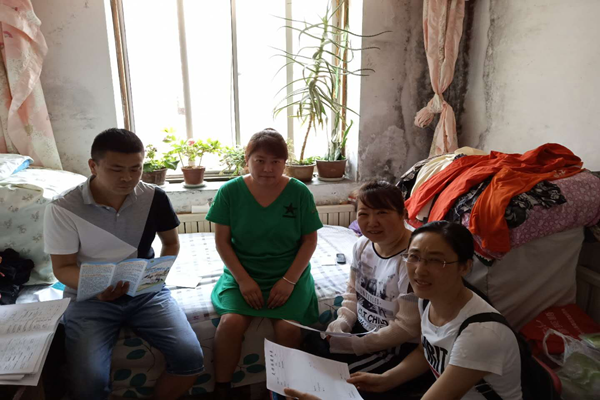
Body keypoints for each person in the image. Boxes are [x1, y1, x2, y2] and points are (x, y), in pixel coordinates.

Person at [44, 128, 204, 400]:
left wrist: (155, 276)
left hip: (144, 292)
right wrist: (98, 287)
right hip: (89, 297)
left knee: (190, 358)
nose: (127, 178)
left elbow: (171, 243)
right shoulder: (63, 208)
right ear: (93, 166)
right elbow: (63, 268)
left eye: (136, 169)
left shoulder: (154, 197)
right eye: (116, 169)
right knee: (89, 384)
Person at [206, 128, 323, 398]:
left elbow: (309, 241)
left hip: (289, 272)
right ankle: (222, 389)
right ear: (247, 161)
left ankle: (286, 392)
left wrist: (289, 281)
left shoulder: (299, 192)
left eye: (275, 162)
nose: (268, 168)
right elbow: (222, 242)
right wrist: (244, 280)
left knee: (288, 327)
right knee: (230, 323)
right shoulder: (229, 192)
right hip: (243, 271)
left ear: (284, 163)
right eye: (259, 160)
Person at [348, 221, 522, 399]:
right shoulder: (427, 301)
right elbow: (425, 351)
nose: (419, 270)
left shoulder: (479, 334)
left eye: (436, 261)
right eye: (414, 257)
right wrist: (386, 380)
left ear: (464, 266)